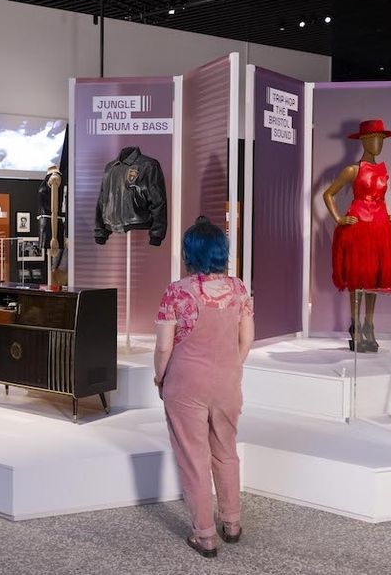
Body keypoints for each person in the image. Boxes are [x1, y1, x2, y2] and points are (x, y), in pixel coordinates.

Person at [154, 216, 255, 558]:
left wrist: (160, 378)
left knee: (194, 457)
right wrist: (231, 366)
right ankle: (232, 522)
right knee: (226, 451)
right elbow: (246, 339)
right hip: (227, 382)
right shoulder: (238, 289)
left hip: (186, 383)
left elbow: (164, 347)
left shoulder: (176, 292)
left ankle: (205, 535)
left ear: (190, 253)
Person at [322, 119, 391, 352]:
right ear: (364, 141)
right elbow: (328, 194)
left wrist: (386, 214)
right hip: (359, 228)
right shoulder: (353, 170)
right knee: (358, 279)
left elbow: (380, 198)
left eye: (382, 139)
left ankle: (369, 323)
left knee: (375, 280)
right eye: (374, 138)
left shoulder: (384, 170)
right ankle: (356, 324)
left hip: (380, 229)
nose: (379, 143)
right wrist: (339, 218)